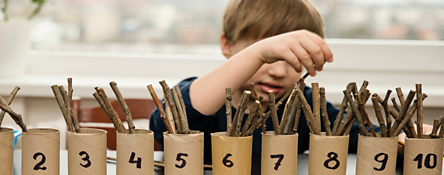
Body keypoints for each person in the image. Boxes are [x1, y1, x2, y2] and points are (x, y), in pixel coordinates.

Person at [150, 0, 375, 164]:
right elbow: (165, 125)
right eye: (267, 57)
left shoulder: (308, 106)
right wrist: (256, 54)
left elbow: (372, 139)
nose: (278, 71)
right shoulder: (205, 94)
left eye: (292, 58)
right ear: (227, 45)